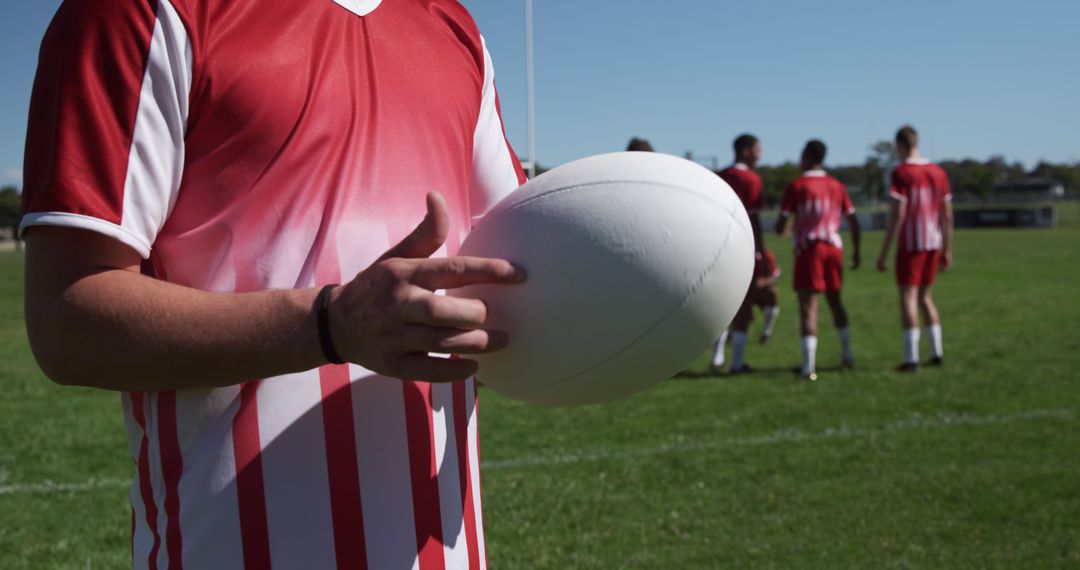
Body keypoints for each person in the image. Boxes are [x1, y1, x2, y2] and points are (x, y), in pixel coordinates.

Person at [20, 1, 525, 568]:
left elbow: (520, 270)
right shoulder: (133, 10)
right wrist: (328, 325)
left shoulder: (451, 27)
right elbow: (66, 317)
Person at [775, 140, 860, 381]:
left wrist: (784, 229)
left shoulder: (798, 185)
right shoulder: (837, 185)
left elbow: (781, 221)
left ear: (808, 156)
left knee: (808, 307)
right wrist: (855, 252)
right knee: (835, 302)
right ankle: (847, 355)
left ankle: (808, 368)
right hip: (834, 249)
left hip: (809, 249)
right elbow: (852, 222)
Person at [875, 125, 954, 372]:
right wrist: (948, 249)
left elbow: (897, 214)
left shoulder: (901, 172)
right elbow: (947, 215)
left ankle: (911, 358)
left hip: (911, 245)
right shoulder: (938, 172)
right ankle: (936, 352)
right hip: (933, 243)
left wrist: (884, 251)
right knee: (925, 297)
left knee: (908, 298)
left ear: (899, 145)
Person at [709, 134, 780, 373]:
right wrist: (759, 253)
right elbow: (755, 221)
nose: (760, 154)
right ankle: (736, 362)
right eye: (758, 149)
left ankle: (717, 357)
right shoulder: (751, 179)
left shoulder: (718, 177)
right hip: (740, 249)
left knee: (722, 305)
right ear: (745, 150)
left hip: (714, 248)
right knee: (742, 305)